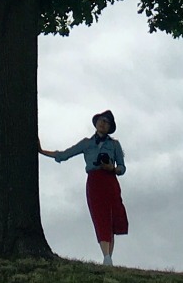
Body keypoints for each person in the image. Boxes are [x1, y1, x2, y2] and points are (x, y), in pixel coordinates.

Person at [39, 109, 128, 264]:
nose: (103, 123)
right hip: (94, 182)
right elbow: (64, 155)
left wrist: (112, 168)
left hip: (110, 182)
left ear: (110, 127)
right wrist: (41, 151)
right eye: (101, 120)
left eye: (106, 122)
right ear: (96, 123)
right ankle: (106, 257)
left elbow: (122, 167)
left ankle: (108, 257)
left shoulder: (114, 144)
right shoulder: (86, 143)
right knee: (99, 217)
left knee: (111, 217)